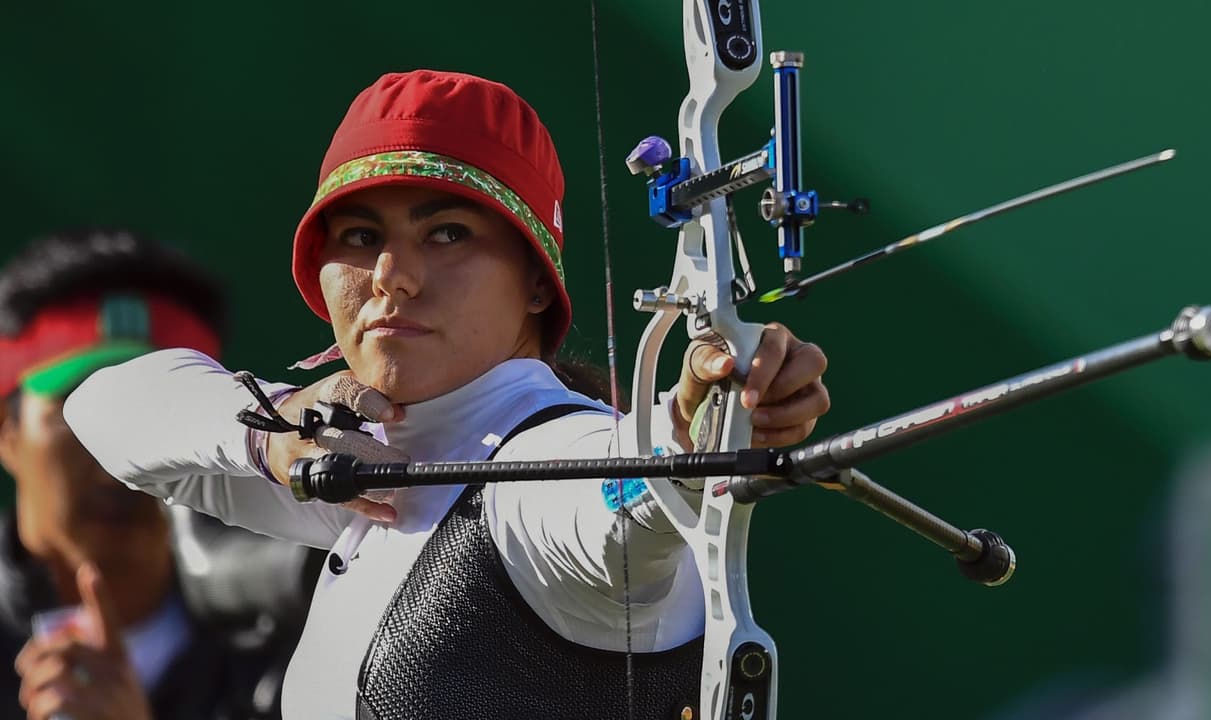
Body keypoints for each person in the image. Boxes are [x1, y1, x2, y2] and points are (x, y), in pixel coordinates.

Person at [64, 70, 831, 719]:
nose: (394, 275)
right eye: (361, 238)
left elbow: (614, 502)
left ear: (537, 282)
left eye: (448, 234)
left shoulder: (546, 466)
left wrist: (691, 427)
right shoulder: (371, 463)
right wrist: (269, 435)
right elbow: (102, 408)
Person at [0, 229, 322, 720]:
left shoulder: (311, 637)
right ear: (9, 433)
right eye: (78, 406)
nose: (119, 460)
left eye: (154, 417)